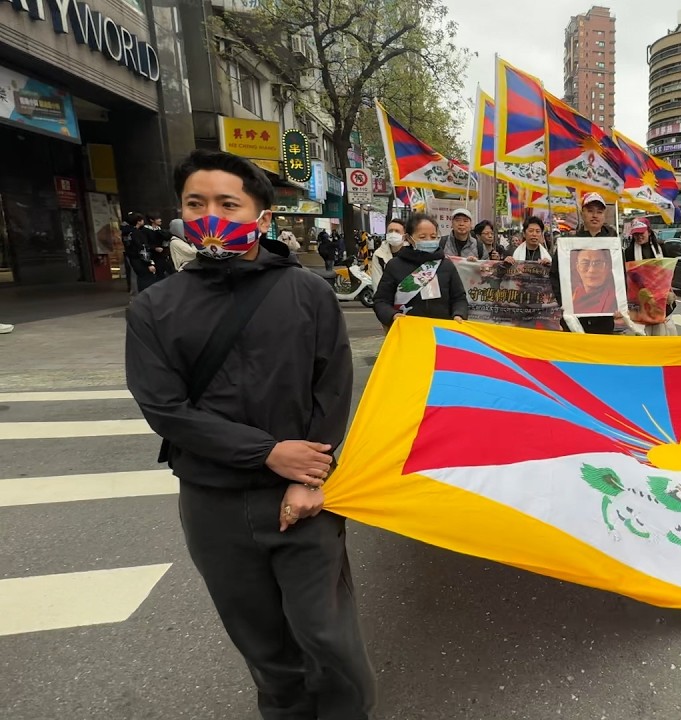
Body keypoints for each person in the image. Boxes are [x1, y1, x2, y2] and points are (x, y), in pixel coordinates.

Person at [125, 149, 375, 718]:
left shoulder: (307, 292)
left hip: (302, 499)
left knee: (328, 641)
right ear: (181, 213)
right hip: (214, 504)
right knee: (266, 651)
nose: (210, 213)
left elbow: (332, 386)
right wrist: (269, 453)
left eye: (227, 203)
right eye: (196, 203)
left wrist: (311, 474)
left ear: (260, 214)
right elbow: (165, 408)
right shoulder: (154, 307)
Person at [373, 214, 468, 329]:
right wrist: (392, 315)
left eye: (433, 237)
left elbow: (459, 298)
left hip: (441, 332)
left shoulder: (446, 265)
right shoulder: (395, 266)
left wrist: (459, 314)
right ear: (408, 238)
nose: (429, 240)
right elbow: (381, 301)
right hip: (406, 331)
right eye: (422, 237)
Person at [559, 192, 619, 334]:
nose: (595, 215)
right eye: (590, 211)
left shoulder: (613, 246)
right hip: (574, 319)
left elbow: (620, 276)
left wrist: (619, 304)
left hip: (603, 320)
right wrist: (564, 303)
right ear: (582, 213)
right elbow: (556, 276)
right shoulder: (568, 245)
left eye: (599, 212)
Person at [623, 219, 675, 336]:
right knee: (642, 333)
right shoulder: (629, 252)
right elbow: (629, 275)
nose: (639, 236)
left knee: (660, 333)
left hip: (661, 297)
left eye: (641, 233)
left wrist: (669, 290)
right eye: (635, 234)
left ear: (649, 232)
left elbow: (668, 271)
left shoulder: (661, 248)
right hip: (639, 297)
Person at [569, 248, 618, 315]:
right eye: (585, 263)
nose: (592, 270)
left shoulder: (616, 298)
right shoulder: (572, 297)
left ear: (607, 267)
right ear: (577, 267)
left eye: (598, 263)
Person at [370, 217, 407, 290]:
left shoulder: (412, 252)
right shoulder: (379, 255)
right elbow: (376, 281)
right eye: (390, 231)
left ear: (404, 235)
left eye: (397, 231)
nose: (393, 234)